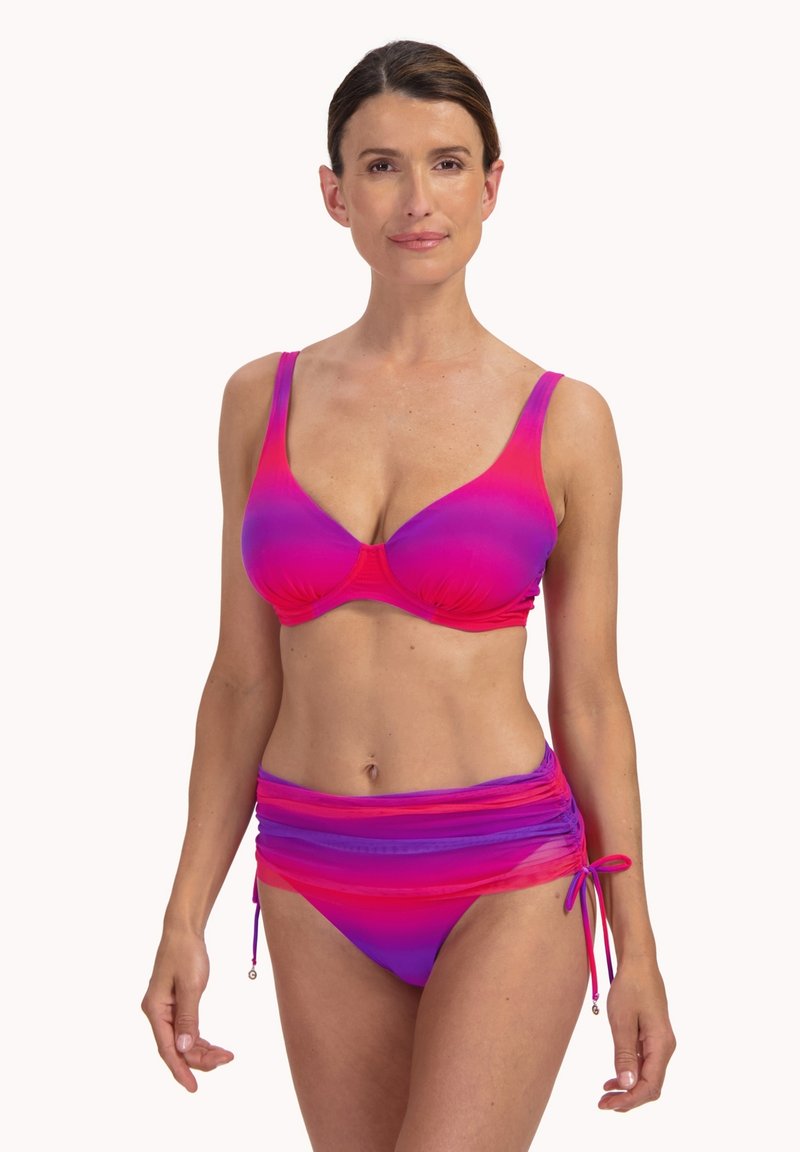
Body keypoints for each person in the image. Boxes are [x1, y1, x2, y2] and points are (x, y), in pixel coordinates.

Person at [141, 38, 676, 1149]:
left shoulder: (565, 419)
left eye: (446, 163)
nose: (416, 199)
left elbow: (589, 696)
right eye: (380, 166)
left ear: (492, 185)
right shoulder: (260, 400)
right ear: (334, 193)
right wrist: (184, 912)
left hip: (506, 868)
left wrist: (637, 946)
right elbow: (240, 679)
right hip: (310, 870)